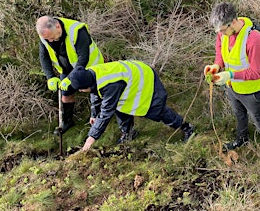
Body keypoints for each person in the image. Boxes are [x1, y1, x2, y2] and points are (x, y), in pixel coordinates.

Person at [205, 2, 260, 169]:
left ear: (233, 22)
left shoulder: (254, 40)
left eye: (223, 30)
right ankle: (242, 138)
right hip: (232, 86)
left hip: (252, 91)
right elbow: (220, 49)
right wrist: (217, 66)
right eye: (219, 32)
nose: (222, 35)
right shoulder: (223, 32)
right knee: (239, 114)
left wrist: (230, 74)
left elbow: (257, 72)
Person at [64, 60, 195, 151]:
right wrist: (94, 114)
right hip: (129, 80)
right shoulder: (91, 74)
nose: (80, 91)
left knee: (156, 110)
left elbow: (106, 112)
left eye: (81, 89)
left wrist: (91, 138)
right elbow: (95, 94)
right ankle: (128, 133)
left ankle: (187, 128)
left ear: (86, 84)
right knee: (120, 107)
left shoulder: (109, 85)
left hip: (143, 79)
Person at [36, 16, 104, 135]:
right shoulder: (45, 36)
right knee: (65, 95)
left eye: (51, 37)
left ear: (57, 26)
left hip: (90, 68)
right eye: (48, 39)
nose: (50, 41)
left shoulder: (77, 30)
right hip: (66, 69)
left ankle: (99, 120)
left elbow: (83, 58)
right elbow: (43, 56)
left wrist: (71, 78)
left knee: (95, 92)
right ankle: (67, 122)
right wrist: (50, 76)